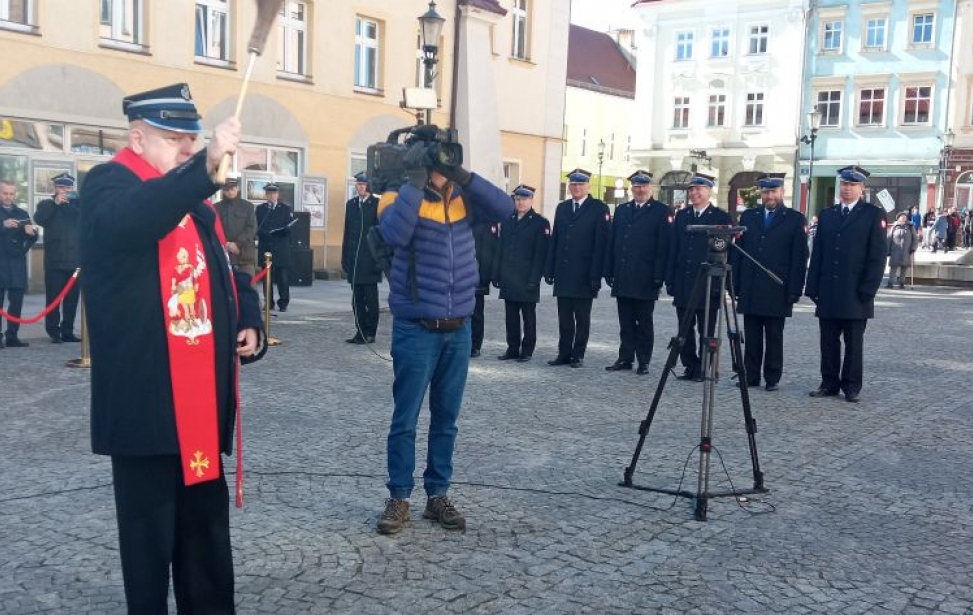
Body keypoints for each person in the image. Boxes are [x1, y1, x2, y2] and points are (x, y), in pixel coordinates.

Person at [79, 83, 264, 612]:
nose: (187, 148)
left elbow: (225, 267)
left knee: (205, 535)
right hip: (148, 400)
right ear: (137, 137)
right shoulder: (108, 184)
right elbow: (139, 215)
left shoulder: (196, 205)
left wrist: (248, 317)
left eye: (192, 140)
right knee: (149, 541)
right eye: (174, 139)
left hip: (198, 399)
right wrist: (202, 166)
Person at [375, 131, 513, 535]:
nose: (442, 164)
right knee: (405, 418)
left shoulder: (463, 196)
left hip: (459, 327)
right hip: (416, 329)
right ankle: (399, 497)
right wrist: (416, 182)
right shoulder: (395, 195)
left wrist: (463, 176)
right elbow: (395, 234)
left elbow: (505, 208)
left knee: (447, 418)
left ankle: (438, 494)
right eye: (436, 158)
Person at [805, 166, 887, 403]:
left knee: (853, 343)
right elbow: (818, 253)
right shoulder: (828, 214)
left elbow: (877, 256)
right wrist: (812, 286)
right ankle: (829, 383)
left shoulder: (872, 215)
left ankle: (851, 386)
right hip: (829, 290)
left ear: (862, 189)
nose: (846, 189)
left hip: (855, 291)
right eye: (843, 184)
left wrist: (869, 289)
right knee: (828, 342)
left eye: (852, 185)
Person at [733, 173, 808, 391]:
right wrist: (735, 284)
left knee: (774, 335)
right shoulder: (749, 217)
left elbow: (799, 257)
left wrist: (795, 289)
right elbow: (738, 253)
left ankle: (772, 377)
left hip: (777, 286)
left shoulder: (794, 219)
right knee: (752, 335)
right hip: (751, 286)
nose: (769, 196)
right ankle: (750, 375)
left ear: (782, 192)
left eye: (773, 191)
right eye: (765, 192)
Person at [603, 170, 671, 376]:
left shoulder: (661, 211)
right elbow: (613, 241)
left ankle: (643, 360)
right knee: (625, 322)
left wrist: (659, 275)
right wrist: (609, 269)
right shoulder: (622, 210)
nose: (640, 190)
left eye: (643, 186)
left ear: (650, 187)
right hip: (623, 274)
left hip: (645, 276)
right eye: (636, 186)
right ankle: (625, 357)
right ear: (631, 189)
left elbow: (664, 246)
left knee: (644, 322)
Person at [665, 173, 731, 381]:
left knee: (706, 330)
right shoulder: (682, 216)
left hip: (708, 283)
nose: (694, 193)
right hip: (684, 281)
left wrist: (722, 283)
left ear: (709, 191)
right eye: (691, 190)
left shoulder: (720, 217)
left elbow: (725, 252)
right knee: (684, 329)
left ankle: (703, 368)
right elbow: (673, 248)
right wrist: (670, 278)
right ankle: (689, 365)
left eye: (698, 189)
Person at [544, 168, 611, 368]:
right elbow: (555, 239)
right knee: (564, 318)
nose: (577, 188)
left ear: (588, 186)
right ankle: (564, 353)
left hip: (584, 273)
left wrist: (597, 275)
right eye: (573, 184)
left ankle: (578, 354)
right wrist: (550, 268)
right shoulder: (562, 207)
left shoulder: (599, 208)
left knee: (582, 318)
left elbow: (601, 244)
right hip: (564, 272)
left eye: (581, 184)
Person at [493, 184, 550, 362]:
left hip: (527, 279)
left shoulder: (540, 223)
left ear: (531, 200)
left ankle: (527, 350)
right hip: (509, 277)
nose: (520, 202)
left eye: (524, 199)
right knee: (511, 317)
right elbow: (500, 249)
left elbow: (540, 254)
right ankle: (512, 348)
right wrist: (497, 273)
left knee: (528, 317)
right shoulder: (508, 220)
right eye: (517, 199)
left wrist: (535, 279)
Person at [34, 173, 82, 344]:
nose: (65, 190)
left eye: (68, 187)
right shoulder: (47, 204)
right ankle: (53, 331)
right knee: (53, 299)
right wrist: (55, 204)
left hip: (75, 262)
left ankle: (68, 331)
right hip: (55, 262)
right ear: (55, 188)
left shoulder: (78, 205)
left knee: (72, 300)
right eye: (61, 187)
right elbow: (40, 219)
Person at [341, 172, 381, 344]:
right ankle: (360, 331)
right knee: (356, 300)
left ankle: (370, 332)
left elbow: (380, 235)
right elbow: (347, 232)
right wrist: (345, 258)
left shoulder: (376, 204)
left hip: (370, 260)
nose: (360, 187)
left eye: (363, 185)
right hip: (355, 260)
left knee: (370, 300)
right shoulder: (351, 204)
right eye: (358, 184)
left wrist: (379, 260)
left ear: (369, 186)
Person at [0, 179, 37, 348]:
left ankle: (12, 336)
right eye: (5, 193)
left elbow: (31, 240)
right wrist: (3, 225)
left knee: (16, 303)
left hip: (16, 264)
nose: (9, 197)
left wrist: (31, 233)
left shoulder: (22, 213)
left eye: (12, 193)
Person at [256, 183, 294, 311]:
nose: (272, 195)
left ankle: (283, 303)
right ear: (266, 195)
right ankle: (269, 302)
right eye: (269, 193)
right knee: (267, 277)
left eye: (274, 193)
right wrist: (264, 233)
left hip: (281, 247)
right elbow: (256, 226)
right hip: (266, 247)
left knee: (283, 278)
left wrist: (284, 230)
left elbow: (290, 227)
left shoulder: (285, 209)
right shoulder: (260, 209)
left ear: (278, 195)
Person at [215, 173, 258, 276]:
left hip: (244, 255)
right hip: (224, 254)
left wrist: (236, 244)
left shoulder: (248, 206)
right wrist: (227, 244)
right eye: (227, 189)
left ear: (237, 188)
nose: (230, 192)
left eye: (232, 189)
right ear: (223, 190)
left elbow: (252, 228)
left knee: (247, 284)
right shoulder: (216, 208)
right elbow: (214, 229)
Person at [470, 217, 499, 357]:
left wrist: (484, 279)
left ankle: (475, 345)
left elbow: (489, 252)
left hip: (477, 276)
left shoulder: (487, 222)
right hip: (458, 275)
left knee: (476, 313)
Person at [887, 211, 917, 289]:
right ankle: (890, 283)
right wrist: (888, 250)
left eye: (905, 217)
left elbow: (915, 239)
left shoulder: (910, 226)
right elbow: (889, 238)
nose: (904, 218)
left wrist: (913, 248)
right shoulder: (894, 226)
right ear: (898, 218)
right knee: (893, 267)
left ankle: (902, 283)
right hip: (895, 250)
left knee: (904, 267)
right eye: (902, 217)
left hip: (906, 250)